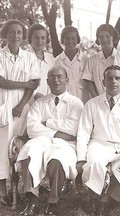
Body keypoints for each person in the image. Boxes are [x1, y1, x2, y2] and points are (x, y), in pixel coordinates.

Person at [15, 66, 83, 215]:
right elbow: (32, 128)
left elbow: (74, 128)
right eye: (52, 77)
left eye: (59, 76)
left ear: (67, 80)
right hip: (41, 141)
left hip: (66, 144)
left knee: (58, 159)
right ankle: (32, 201)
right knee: (29, 150)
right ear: (47, 81)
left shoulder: (76, 103)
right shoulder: (39, 103)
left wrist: (48, 123)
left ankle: (53, 202)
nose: (56, 80)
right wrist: (59, 133)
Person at [76, 65, 120, 215]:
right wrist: (80, 158)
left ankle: (108, 199)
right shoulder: (92, 104)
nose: (113, 82)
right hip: (98, 144)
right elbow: (83, 133)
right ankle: (94, 196)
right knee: (94, 163)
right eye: (109, 78)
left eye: (117, 78)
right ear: (103, 82)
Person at [0, 20, 40, 206]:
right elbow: (1, 81)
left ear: (23, 36)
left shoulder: (30, 57)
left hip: (23, 108)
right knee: (2, 149)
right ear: (5, 34)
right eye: (11, 32)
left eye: (19, 32)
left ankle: (23, 189)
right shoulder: (0, 55)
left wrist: (21, 105)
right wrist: (24, 84)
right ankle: (2, 191)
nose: (15, 36)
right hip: (4, 105)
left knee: (21, 148)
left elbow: (34, 84)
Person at [82, 24, 119, 98]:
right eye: (101, 37)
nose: (104, 39)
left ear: (113, 37)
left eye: (107, 36)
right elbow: (89, 82)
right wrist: (98, 99)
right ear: (98, 39)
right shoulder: (92, 60)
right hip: (98, 100)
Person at [55, 26, 89, 103]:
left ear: (77, 40)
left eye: (73, 38)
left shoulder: (86, 60)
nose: (70, 41)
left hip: (82, 102)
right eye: (67, 38)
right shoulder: (57, 61)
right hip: (63, 103)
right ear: (62, 40)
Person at [28, 23, 55, 100]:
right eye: (36, 38)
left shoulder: (51, 59)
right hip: (29, 102)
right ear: (30, 39)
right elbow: (20, 80)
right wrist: (35, 94)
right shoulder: (24, 58)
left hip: (48, 101)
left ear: (46, 39)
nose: (40, 41)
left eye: (43, 38)